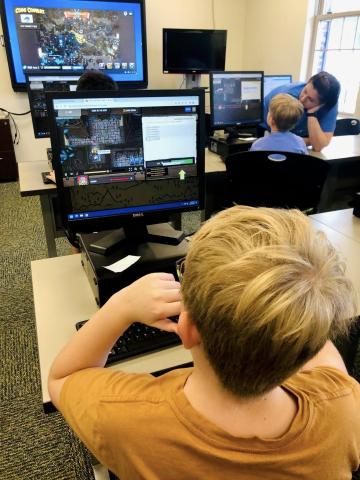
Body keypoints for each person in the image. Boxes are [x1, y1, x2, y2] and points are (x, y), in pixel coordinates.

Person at [48, 206, 360, 479]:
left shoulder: (127, 419)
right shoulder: (344, 406)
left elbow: (62, 377)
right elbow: (326, 359)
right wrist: (291, 299)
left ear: (186, 327)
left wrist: (120, 306)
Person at [46, 70, 118, 252]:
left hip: (86, 211)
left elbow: (65, 164)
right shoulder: (117, 122)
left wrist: (60, 178)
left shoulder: (67, 127)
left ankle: (78, 254)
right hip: (120, 203)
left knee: (77, 222)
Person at [263, 71, 340, 152]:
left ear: (322, 104)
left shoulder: (329, 104)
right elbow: (280, 140)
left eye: (310, 99)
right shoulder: (287, 98)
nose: (302, 99)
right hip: (265, 132)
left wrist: (312, 114)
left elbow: (318, 146)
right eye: (305, 91)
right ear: (307, 82)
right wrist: (308, 141)